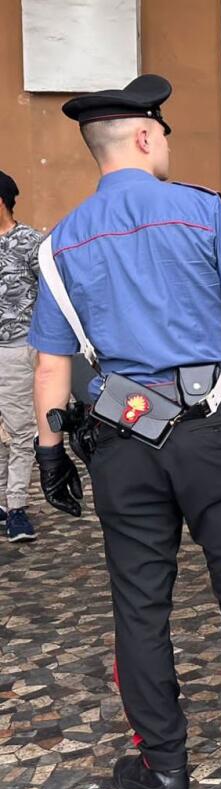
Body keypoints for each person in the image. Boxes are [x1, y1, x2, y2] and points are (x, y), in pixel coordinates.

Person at [28, 75, 221, 789]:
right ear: (147, 135)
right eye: (166, 135)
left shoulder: (59, 246)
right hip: (215, 435)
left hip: (124, 444)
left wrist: (50, 452)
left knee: (139, 604)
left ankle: (165, 766)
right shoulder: (201, 212)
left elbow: (52, 365)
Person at [0, 169, 40, 542]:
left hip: (14, 350)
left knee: (19, 430)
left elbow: (53, 294)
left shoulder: (29, 242)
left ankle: (16, 509)